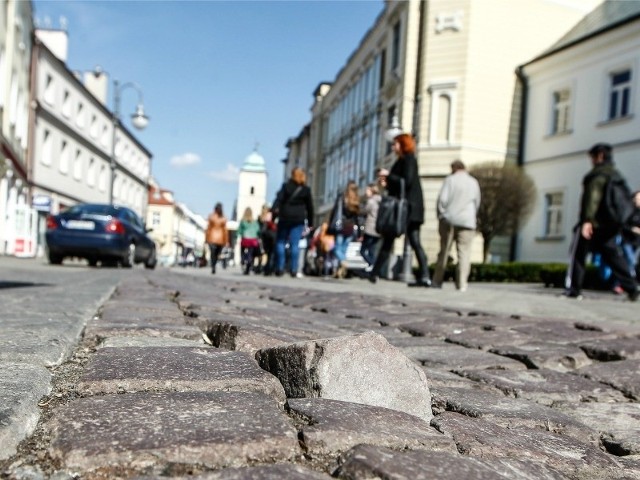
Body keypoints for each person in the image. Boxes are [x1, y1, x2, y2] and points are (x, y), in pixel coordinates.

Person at [565, 143, 638, 301]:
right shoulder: (616, 175)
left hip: (593, 224)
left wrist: (587, 221)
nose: (591, 160)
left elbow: (592, 198)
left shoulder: (597, 175)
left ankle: (574, 289)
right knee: (614, 257)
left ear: (599, 156)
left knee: (578, 254)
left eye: (592, 157)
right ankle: (632, 287)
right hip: (610, 225)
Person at [369, 133, 431, 287]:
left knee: (414, 241)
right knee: (391, 239)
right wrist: (387, 182)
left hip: (409, 208)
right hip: (404, 207)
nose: (393, 147)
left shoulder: (409, 160)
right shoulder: (400, 161)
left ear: (403, 144)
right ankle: (374, 272)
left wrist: (388, 176)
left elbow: (407, 181)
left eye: (395, 144)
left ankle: (425, 275)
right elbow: (398, 183)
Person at [432, 160, 481, 292]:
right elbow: (477, 202)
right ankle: (462, 284)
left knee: (444, 251)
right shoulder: (473, 182)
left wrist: (441, 215)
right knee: (464, 253)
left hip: (450, 219)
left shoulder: (450, 180)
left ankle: (437, 281)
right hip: (468, 221)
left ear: (453, 168)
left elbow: (442, 200)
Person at [272, 167, 314, 277]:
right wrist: (310, 222)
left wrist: (273, 213)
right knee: (295, 244)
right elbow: (310, 207)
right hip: (298, 219)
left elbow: (278, 200)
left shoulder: (286, 187)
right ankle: (294, 269)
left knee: (280, 242)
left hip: (285, 217)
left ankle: (280, 267)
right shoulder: (306, 190)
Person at [330, 180, 361, 279]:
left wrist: (331, 223)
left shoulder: (342, 198)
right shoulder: (356, 200)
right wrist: (359, 230)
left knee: (336, 249)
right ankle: (339, 272)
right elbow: (357, 218)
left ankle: (344, 262)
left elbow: (335, 211)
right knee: (343, 250)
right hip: (350, 228)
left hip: (341, 226)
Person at [360, 182, 382, 271]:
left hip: (370, 229)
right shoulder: (380, 201)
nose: (366, 192)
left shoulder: (371, 201)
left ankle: (372, 264)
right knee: (372, 250)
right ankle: (373, 267)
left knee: (363, 250)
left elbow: (364, 211)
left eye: (367, 190)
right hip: (378, 230)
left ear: (371, 191)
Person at [204, 202, 229, 274]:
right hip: (219, 239)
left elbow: (208, 229)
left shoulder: (212, 216)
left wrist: (206, 238)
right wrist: (226, 241)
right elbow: (225, 231)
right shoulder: (223, 218)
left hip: (212, 237)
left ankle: (213, 265)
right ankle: (213, 265)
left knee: (213, 253)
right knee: (216, 253)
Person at [238, 207, 261, 275]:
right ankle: (249, 262)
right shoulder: (254, 222)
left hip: (245, 239)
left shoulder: (243, 221)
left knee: (242, 251)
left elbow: (239, 230)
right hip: (253, 240)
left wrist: (238, 235)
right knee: (250, 254)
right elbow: (258, 230)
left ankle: (242, 260)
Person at [258, 204, 277, 276]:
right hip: (272, 236)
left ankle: (266, 268)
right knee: (271, 253)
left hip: (265, 237)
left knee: (266, 253)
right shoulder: (271, 215)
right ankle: (269, 268)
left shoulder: (262, 217)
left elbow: (261, 229)